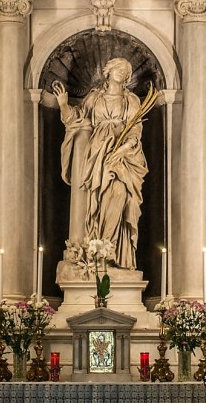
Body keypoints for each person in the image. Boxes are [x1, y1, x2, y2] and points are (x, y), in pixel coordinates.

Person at [53, 58, 148, 270]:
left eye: (126, 70)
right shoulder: (94, 98)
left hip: (122, 157)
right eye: (118, 67)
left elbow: (135, 130)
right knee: (92, 199)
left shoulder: (131, 100)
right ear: (108, 70)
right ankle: (94, 251)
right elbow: (75, 120)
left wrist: (122, 149)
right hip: (94, 155)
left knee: (120, 194)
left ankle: (111, 252)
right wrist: (62, 104)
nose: (121, 72)